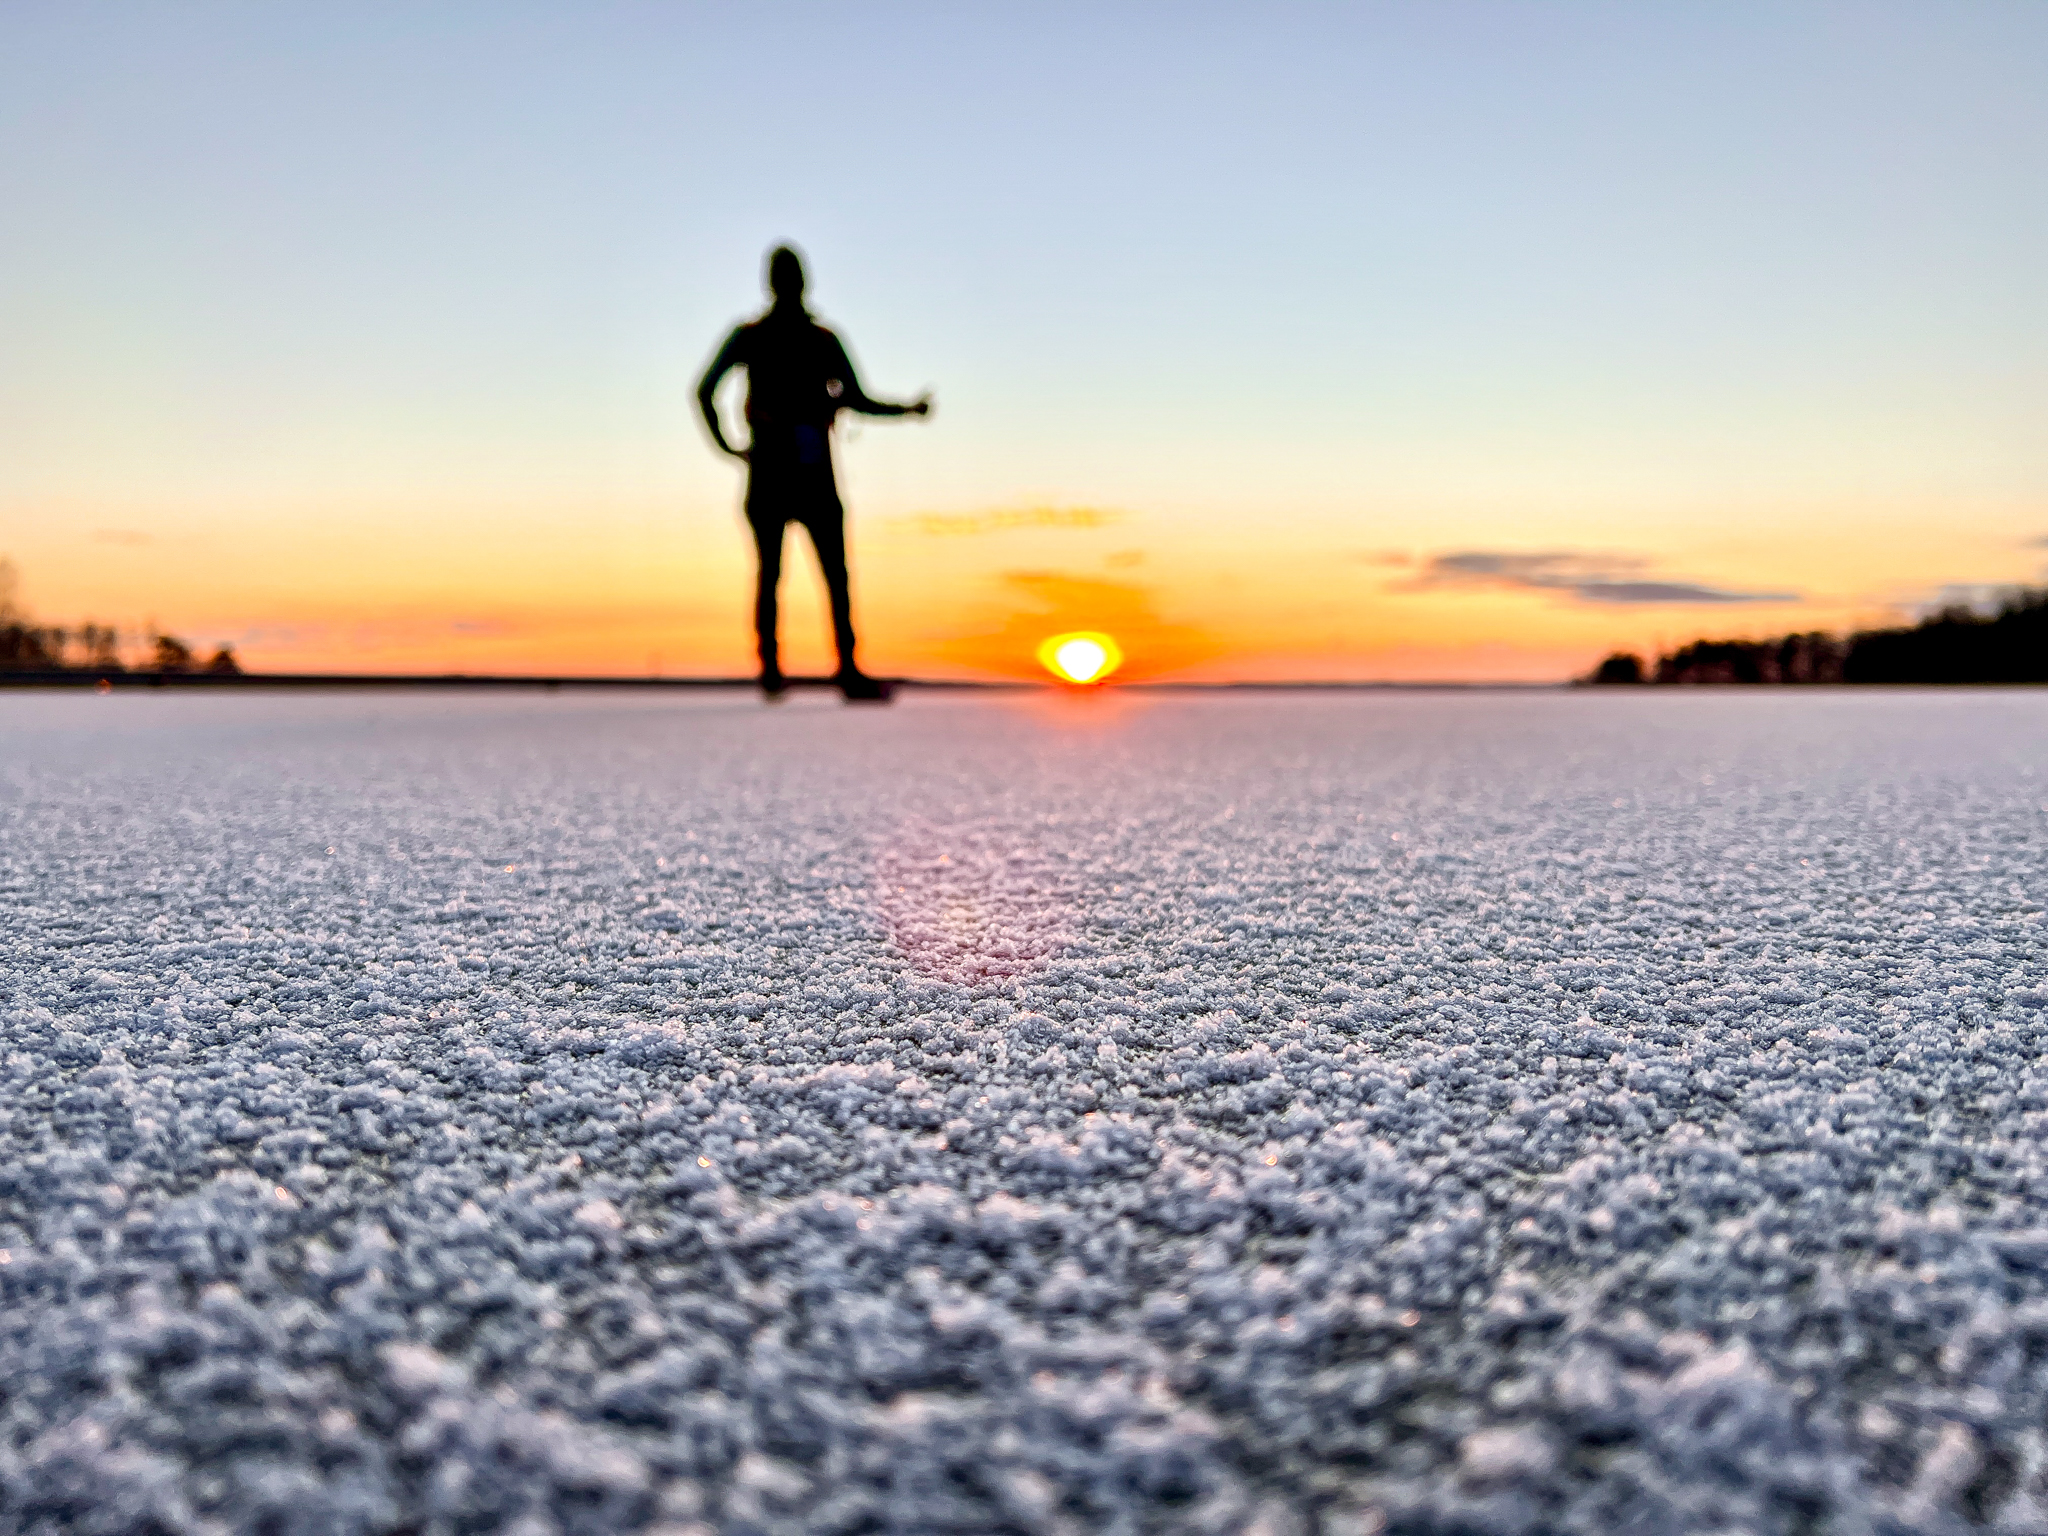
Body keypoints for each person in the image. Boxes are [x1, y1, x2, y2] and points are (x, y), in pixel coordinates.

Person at [697, 245, 931, 701]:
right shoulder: (812, 339)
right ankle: (828, 671)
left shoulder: (768, 337)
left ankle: (781, 674)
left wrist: (730, 446)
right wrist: (729, 447)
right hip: (799, 470)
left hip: (780, 469)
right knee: (820, 575)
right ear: (802, 282)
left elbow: (705, 391)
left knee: (779, 575)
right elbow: (860, 400)